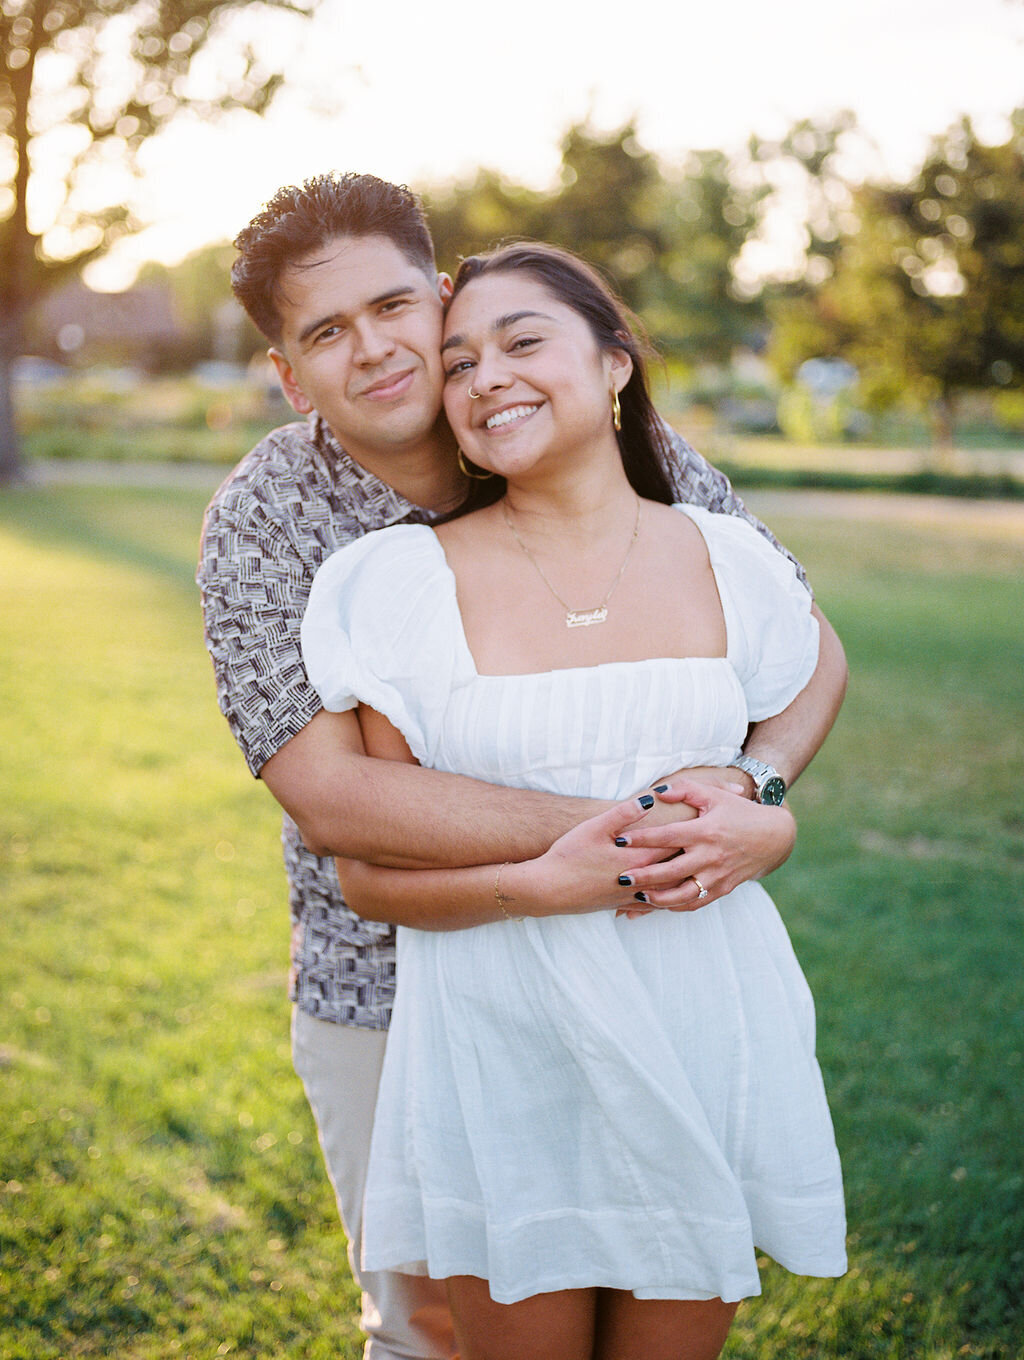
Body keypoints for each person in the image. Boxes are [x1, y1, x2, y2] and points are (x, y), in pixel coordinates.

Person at [197, 173, 848, 1360]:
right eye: (326, 333)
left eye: (395, 308)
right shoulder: (267, 518)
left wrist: (758, 790)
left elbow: (795, 639)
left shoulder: (575, 428)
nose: (378, 349)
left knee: (659, 1257)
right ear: (290, 375)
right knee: (432, 1327)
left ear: (441, 301)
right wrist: (628, 836)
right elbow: (336, 795)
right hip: (390, 977)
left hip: (655, 957)